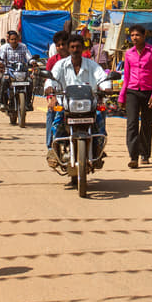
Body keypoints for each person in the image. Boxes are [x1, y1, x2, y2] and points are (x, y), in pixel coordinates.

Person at [47, 33, 107, 189]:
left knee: (101, 118)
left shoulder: (92, 65)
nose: (75, 49)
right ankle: (54, 150)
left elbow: (102, 78)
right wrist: (50, 89)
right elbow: (52, 79)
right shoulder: (60, 65)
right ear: (68, 48)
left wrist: (106, 87)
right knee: (56, 124)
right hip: (67, 107)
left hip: (89, 107)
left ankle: (98, 149)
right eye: (72, 47)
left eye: (78, 47)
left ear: (83, 48)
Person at [118, 24, 152, 168]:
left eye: (137, 35)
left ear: (144, 36)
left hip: (148, 92)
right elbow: (126, 76)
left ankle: (145, 154)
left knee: (146, 124)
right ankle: (133, 156)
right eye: (132, 35)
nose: (134, 38)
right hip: (132, 91)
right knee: (131, 123)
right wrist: (122, 96)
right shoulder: (129, 53)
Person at [0, 30, 32, 110]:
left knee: (30, 81)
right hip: (9, 71)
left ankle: (28, 102)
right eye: (12, 39)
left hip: (21, 71)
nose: (14, 41)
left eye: (15, 39)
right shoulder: (5, 48)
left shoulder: (23, 46)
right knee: (3, 80)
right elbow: (1, 58)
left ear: (18, 39)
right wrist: (0, 64)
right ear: (8, 40)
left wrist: (33, 62)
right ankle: (2, 102)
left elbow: (29, 57)